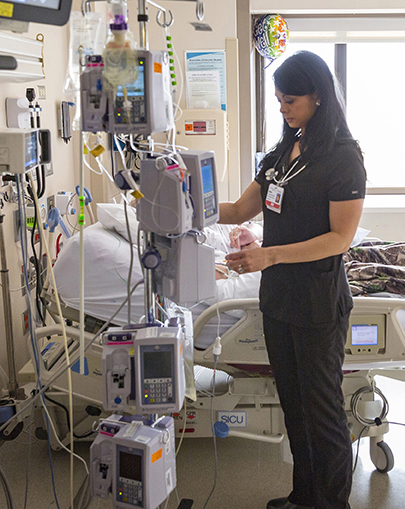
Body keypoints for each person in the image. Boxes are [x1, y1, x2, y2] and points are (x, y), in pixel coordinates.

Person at [219, 51, 366, 509]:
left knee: (322, 414)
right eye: (279, 98)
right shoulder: (283, 151)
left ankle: (331, 504)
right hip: (278, 299)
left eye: (291, 99)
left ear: (318, 96)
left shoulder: (344, 157)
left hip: (317, 302)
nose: (282, 106)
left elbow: (339, 238)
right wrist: (184, 202)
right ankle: (305, 497)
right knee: (294, 408)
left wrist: (270, 255)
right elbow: (242, 210)